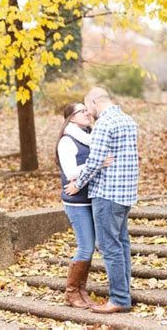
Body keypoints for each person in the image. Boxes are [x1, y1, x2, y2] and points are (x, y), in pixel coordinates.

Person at [65, 87, 139, 314]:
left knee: (109, 247)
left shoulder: (104, 124)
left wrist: (78, 184)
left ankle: (118, 299)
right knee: (122, 244)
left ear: (95, 101)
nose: (89, 112)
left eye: (88, 107)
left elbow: (95, 161)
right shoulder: (128, 121)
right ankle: (124, 294)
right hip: (125, 194)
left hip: (107, 194)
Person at [55, 103, 113, 309]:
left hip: (93, 198)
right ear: (71, 118)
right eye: (81, 111)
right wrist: (97, 163)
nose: (87, 113)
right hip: (76, 201)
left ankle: (81, 291)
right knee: (85, 247)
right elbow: (70, 172)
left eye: (86, 109)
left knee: (89, 248)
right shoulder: (67, 141)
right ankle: (71, 292)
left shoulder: (91, 137)